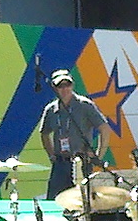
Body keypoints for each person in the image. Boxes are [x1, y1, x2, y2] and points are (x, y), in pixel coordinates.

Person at [40, 69, 111, 199]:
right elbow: (44, 134)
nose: (64, 89)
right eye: (60, 86)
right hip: (61, 164)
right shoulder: (51, 110)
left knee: (82, 202)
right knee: (54, 201)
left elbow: (104, 128)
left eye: (67, 85)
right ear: (54, 88)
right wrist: (51, 155)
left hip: (81, 163)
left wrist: (98, 155)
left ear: (72, 85)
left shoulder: (84, 105)